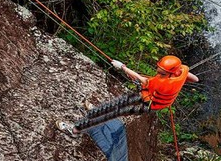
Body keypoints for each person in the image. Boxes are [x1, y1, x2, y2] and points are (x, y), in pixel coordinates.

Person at [57, 55, 199, 137]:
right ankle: (95, 111)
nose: (158, 73)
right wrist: (181, 79)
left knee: (115, 112)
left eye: (162, 72)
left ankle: (76, 130)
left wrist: (123, 67)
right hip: (147, 96)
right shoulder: (181, 72)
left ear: (171, 73)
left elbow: (140, 79)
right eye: (159, 70)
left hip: (149, 104)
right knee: (117, 103)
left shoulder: (163, 83)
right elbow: (195, 79)